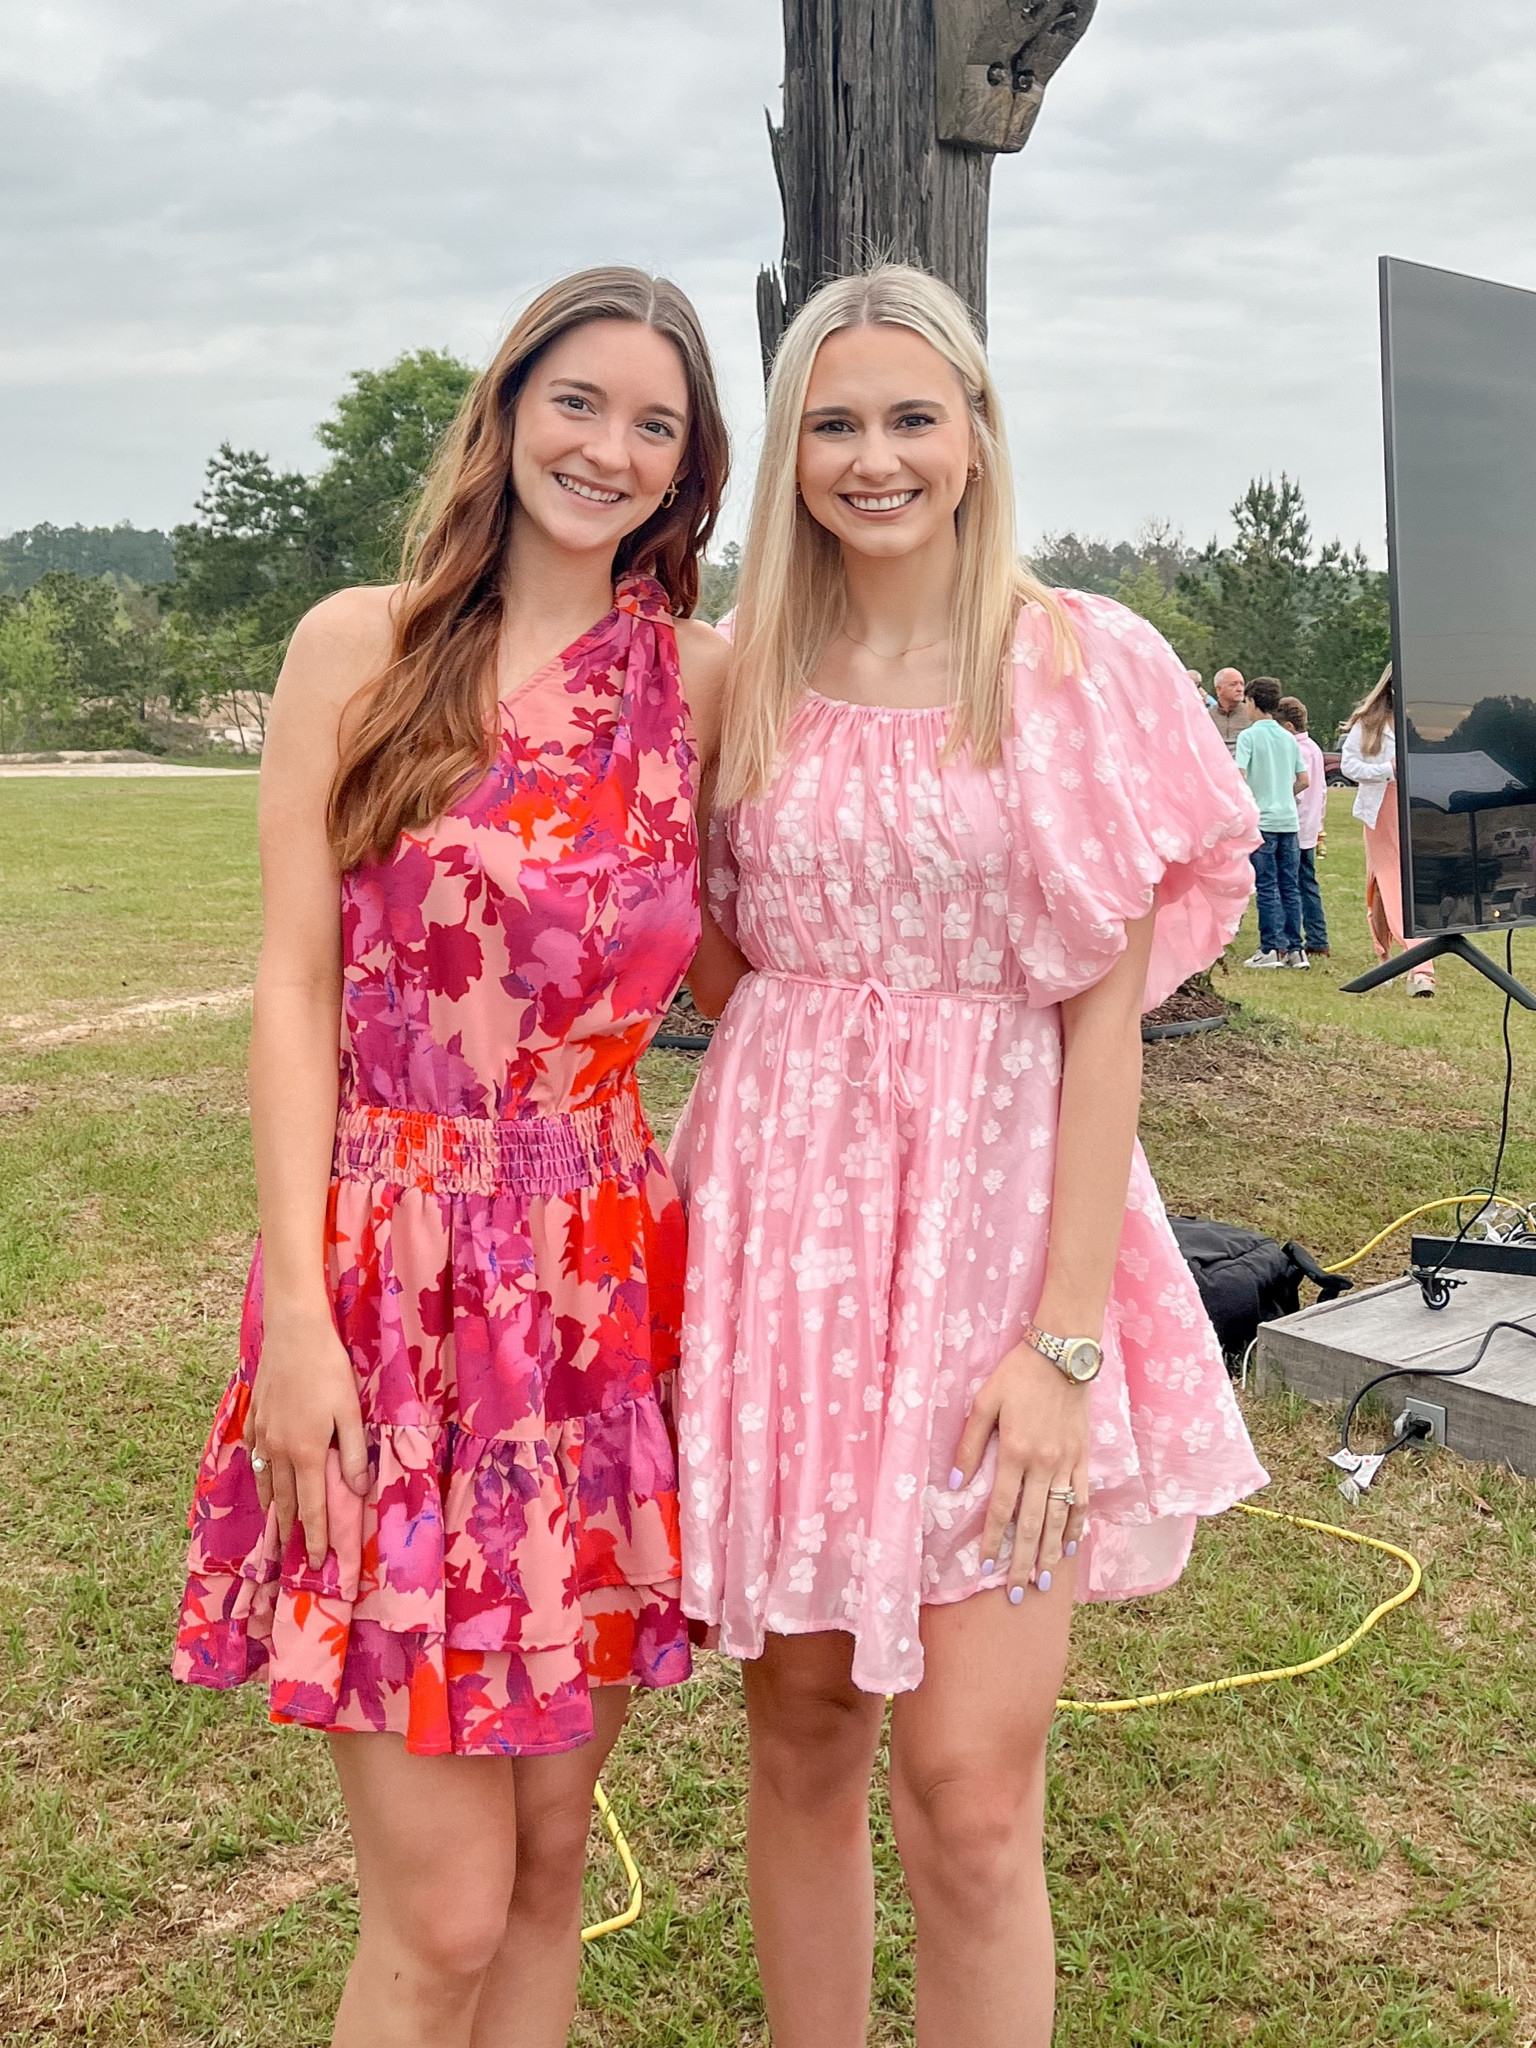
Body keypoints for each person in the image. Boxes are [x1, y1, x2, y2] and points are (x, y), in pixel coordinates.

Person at [673, 264, 1269, 2048]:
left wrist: (1061, 1340)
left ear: (976, 432)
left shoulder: (1078, 659)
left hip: (1002, 1242)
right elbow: (713, 943)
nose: (874, 457)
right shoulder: (742, 668)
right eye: (834, 423)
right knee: (798, 1740)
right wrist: (814, 1068)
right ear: (788, 453)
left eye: (910, 417)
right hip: (782, 1244)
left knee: (971, 1793)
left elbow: (1100, 1016)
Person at [172, 268, 732, 2048]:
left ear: (688, 464)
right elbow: (287, 986)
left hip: (596, 1300)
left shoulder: (701, 685)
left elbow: (824, 911)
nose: (610, 448)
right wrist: (302, 1335)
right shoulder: (361, 638)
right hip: (386, 1290)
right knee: (444, 1904)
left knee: (555, 1858)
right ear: (505, 410)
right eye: (580, 401)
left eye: (654, 422)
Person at [1341, 665, 1432, 994]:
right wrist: (1387, 769)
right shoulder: (1370, 723)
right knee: (1392, 883)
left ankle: (1390, 959)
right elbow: (1349, 765)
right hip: (1381, 810)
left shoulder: (1423, 720)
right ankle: (1421, 966)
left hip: (1419, 809)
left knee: (1395, 885)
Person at [1236, 676, 1309, 969]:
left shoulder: (1249, 737)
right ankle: (1296, 949)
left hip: (1262, 821)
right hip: (1288, 821)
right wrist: (1282, 793)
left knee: (1267, 885)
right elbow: (1304, 780)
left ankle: (1269, 948)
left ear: (1252, 702)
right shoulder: (1287, 738)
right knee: (1289, 886)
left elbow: (1239, 777)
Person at [1278, 694, 1329, 956]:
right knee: (1307, 881)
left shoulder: (1295, 750)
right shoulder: (1315, 748)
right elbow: (1321, 791)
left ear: (1288, 726)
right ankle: (1318, 937)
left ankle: (1289, 937)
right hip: (1309, 824)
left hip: (1294, 823)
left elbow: (1299, 784)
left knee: (1289, 883)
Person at [1208, 665, 1254, 753]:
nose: (1240, 689)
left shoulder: (1252, 714)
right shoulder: (1207, 716)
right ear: (1218, 689)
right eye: (1233, 684)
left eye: (1242, 684)